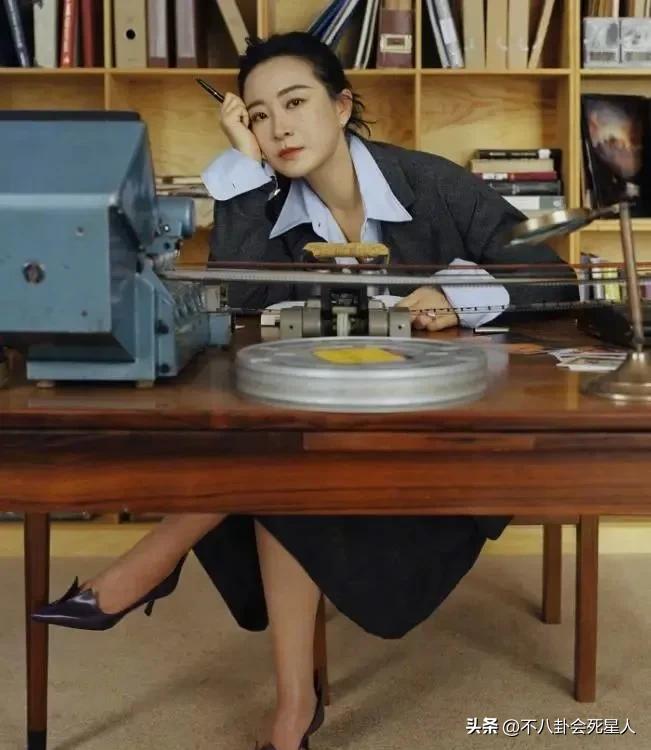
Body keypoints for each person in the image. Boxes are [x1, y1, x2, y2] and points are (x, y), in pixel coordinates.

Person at [32, 32, 578, 750]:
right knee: (279, 461)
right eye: (258, 116)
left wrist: (458, 294)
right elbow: (237, 304)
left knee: (273, 464)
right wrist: (242, 170)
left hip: (438, 441)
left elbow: (552, 275)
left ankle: (151, 565)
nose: (279, 128)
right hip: (319, 436)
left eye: (294, 103)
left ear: (342, 105)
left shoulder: (430, 183)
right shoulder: (264, 201)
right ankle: (291, 711)